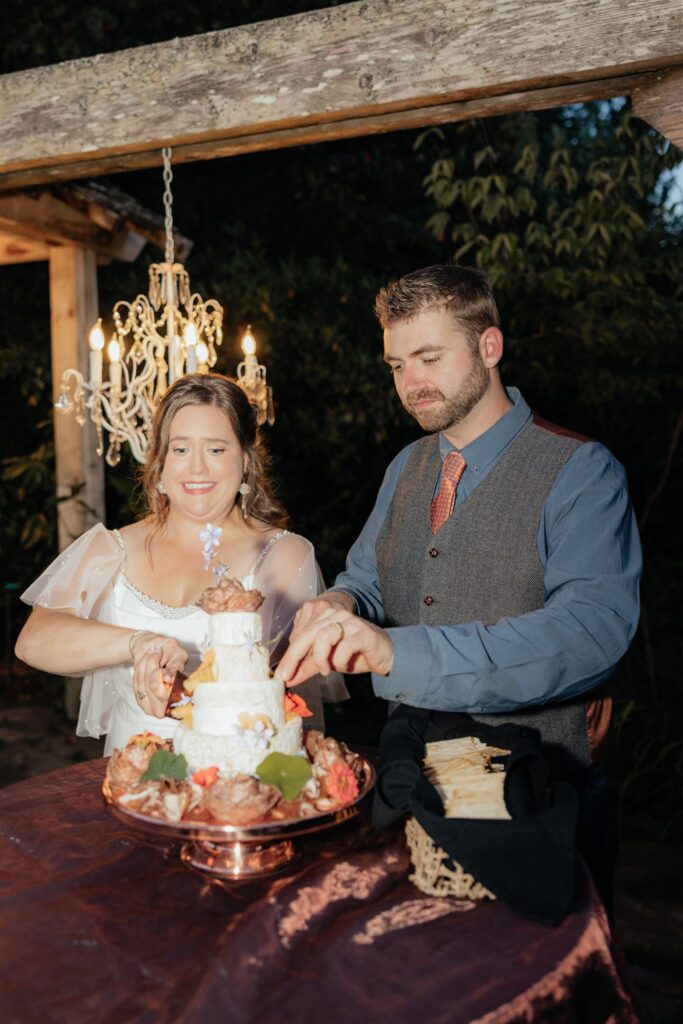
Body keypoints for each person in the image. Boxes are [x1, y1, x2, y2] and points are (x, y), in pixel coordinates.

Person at [276, 265, 642, 915]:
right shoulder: (406, 467)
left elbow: (590, 631)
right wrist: (336, 604)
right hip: (418, 782)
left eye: (428, 357)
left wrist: (395, 656)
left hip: (540, 797)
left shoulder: (580, 469)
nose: (410, 383)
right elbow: (366, 577)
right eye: (395, 365)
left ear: (488, 346)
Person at [16, 373, 346, 754]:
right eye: (181, 449)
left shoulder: (285, 555)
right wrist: (139, 643)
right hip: (127, 777)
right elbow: (33, 642)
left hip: (231, 777)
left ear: (246, 458)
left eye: (216, 450)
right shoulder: (110, 548)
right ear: (159, 460)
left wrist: (180, 697)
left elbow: (286, 700)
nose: (197, 469)